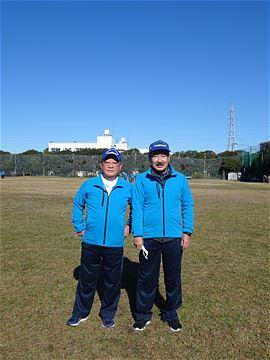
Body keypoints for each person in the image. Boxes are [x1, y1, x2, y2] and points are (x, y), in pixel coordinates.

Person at [132, 140, 194, 332]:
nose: (160, 160)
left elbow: (187, 205)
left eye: (163, 156)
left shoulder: (180, 179)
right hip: (149, 238)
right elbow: (137, 208)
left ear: (169, 157)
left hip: (174, 238)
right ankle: (143, 315)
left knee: (173, 278)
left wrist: (187, 231)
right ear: (150, 158)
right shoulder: (142, 180)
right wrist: (138, 235)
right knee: (146, 278)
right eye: (156, 156)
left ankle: (171, 313)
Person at [67, 148, 132, 328]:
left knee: (112, 282)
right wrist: (79, 227)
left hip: (114, 243)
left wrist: (130, 225)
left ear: (120, 166)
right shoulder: (89, 184)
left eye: (114, 163)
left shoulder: (127, 187)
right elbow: (77, 204)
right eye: (107, 162)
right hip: (91, 242)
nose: (110, 165)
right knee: (87, 280)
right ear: (101, 165)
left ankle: (108, 314)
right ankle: (80, 313)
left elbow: (137, 209)